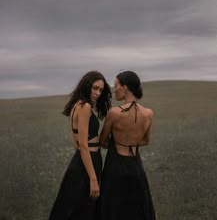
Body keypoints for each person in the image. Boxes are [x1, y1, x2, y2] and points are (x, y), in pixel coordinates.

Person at [48, 71, 112, 220]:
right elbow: (82, 145)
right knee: (83, 209)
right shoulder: (85, 107)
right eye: (94, 88)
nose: (97, 93)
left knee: (74, 207)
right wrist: (93, 179)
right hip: (88, 162)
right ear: (86, 85)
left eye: (100, 90)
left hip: (82, 161)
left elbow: (76, 142)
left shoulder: (76, 105)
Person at [97, 70, 156, 220]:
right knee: (136, 208)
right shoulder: (148, 113)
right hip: (136, 166)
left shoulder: (114, 113)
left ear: (125, 87)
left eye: (116, 85)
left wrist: (116, 142)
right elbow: (145, 141)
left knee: (113, 208)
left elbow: (102, 141)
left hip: (115, 166)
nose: (114, 88)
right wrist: (131, 142)